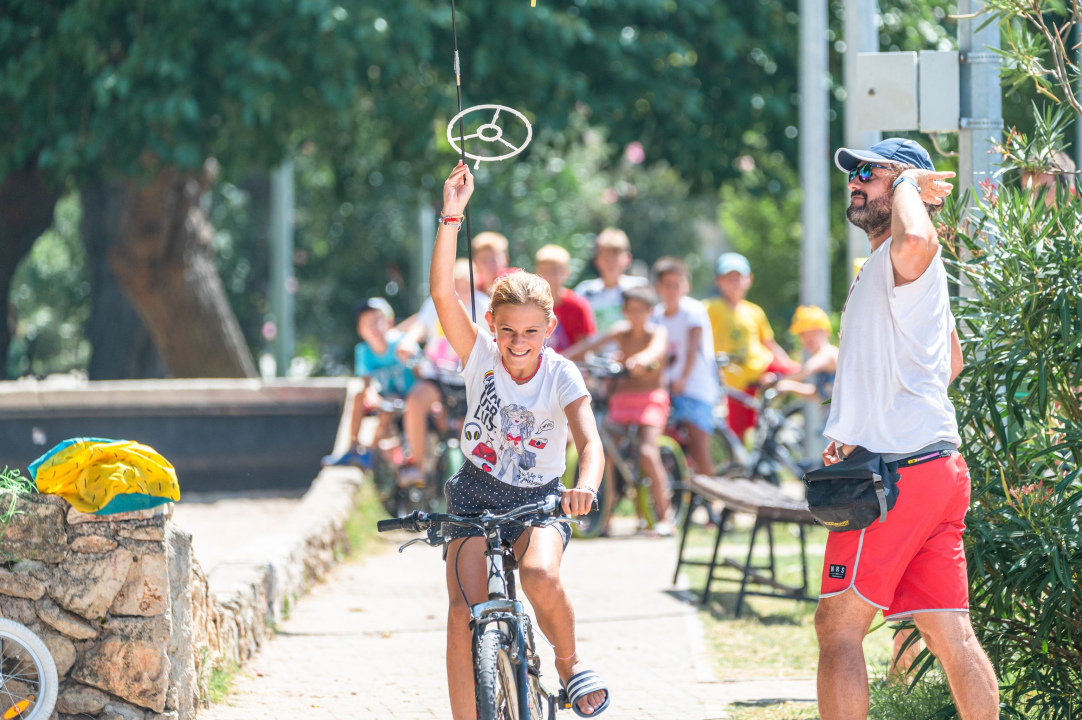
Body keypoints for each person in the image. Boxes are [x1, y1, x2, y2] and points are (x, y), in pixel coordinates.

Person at [816, 138, 998, 719]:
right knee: (951, 635)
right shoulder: (895, 268)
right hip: (934, 465)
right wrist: (869, 418)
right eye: (855, 173)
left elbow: (917, 236)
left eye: (872, 172)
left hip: (898, 475)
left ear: (908, 190)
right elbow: (952, 361)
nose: (857, 180)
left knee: (838, 626)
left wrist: (904, 189)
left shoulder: (908, 250)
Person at [432, 161, 609, 718]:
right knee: (463, 614)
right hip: (475, 492)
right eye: (507, 329)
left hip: (539, 498)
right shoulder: (480, 355)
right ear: (492, 324)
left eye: (531, 331)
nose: (517, 341)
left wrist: (585, 486)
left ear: (548, 329)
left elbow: (590, 441)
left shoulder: (561, 374)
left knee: (537, 573)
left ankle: (569, 662)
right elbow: (441, 293)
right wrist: (451, 215)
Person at [566, 286, 673, 534]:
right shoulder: (620, 331)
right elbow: (589, 345)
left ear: (650, 311)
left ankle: (666, 517)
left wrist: (641, 360)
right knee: (606, 456)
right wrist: (556, 357)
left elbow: (654, 351)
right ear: (624, 311)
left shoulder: (658, 332)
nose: (636, 315)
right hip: (622, 398)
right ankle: (605, 517)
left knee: (647, 451)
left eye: (641, 310)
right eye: (631, 310)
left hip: (650, 399)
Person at [394, 259, 490, 485]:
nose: (463, 287)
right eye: (457, 282)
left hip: (470, 379)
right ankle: (418, 466)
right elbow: (420, 325)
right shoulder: (437, 303)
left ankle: (482, 477)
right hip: (438, 375)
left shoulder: (485, 306)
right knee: (416, 400)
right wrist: (408, 341)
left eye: (467, 282)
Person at [703, 252, 801, 440]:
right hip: (735, 381)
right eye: (728, 277)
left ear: (749, 279)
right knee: (738, 434)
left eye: (739, 276)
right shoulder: (710, 308)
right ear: (718, 281)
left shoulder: (754, 311)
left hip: (762, 366)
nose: (734, 282)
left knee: (804, 372)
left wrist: (786, 365)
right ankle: (741, 468)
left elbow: (769, 344)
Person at [325, 297, 416, 467]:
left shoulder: (402, 343)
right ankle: (352, 448)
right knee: (360, 396)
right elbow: (366, 382)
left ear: (389, 322)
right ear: (360, 330)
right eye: (366, 323)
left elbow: (421, 373)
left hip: (410, 400)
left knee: (389, 405)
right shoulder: (363, 351)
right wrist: (371, 395)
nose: (372, 327)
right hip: (387, 399)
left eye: (376, 320)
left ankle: (372, 452)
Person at [651, 256, 719, 476]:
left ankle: (714, 498)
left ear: (685, 286)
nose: (672, 290)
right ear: (658, 287)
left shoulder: (693, 310)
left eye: (677, 284)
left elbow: (692, 348)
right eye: (667, 285)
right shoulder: (656, 315)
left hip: (695, 386)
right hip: (667, 388)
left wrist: (683, 379)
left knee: (698, 444)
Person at [573, 228, 649, 334]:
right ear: (597, 260)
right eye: (606, 257)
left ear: (628, 259)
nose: (610, 263)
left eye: (615, 257)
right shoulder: (584, 292)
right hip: (594, 350)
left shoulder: (640, 288)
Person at [535, 244, 597, 354]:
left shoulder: (578, 306)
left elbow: (585, 346)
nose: (548, 277)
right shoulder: (530, 304)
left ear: (565, 272)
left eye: (554, 272)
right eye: (544, 272)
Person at [772, 305, 837, 402]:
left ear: (825, 332)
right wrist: (790, 386)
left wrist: (778, 380)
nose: (808, 339)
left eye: (812, 333)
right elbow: (818, 393)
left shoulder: (828, 353)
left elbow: (807, 370)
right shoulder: (821, 359)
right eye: (804, 334)